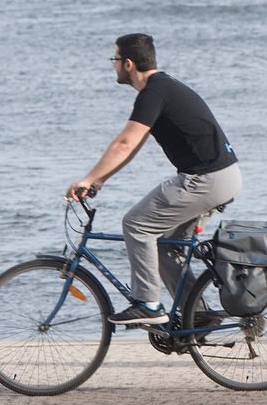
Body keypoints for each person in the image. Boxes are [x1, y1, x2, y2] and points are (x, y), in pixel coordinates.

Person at [65, 34, 242, 325]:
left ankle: (148, 303)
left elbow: (123, 143)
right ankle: (195, 317)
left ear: (129, 64)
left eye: (115, 60)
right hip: (224, 176)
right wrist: (100, 180)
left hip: (206, 179)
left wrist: (87, 178)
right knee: (167, 244)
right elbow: (133, 145)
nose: (114, 66)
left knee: (136, 224)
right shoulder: (162, 88)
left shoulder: (153, 93)